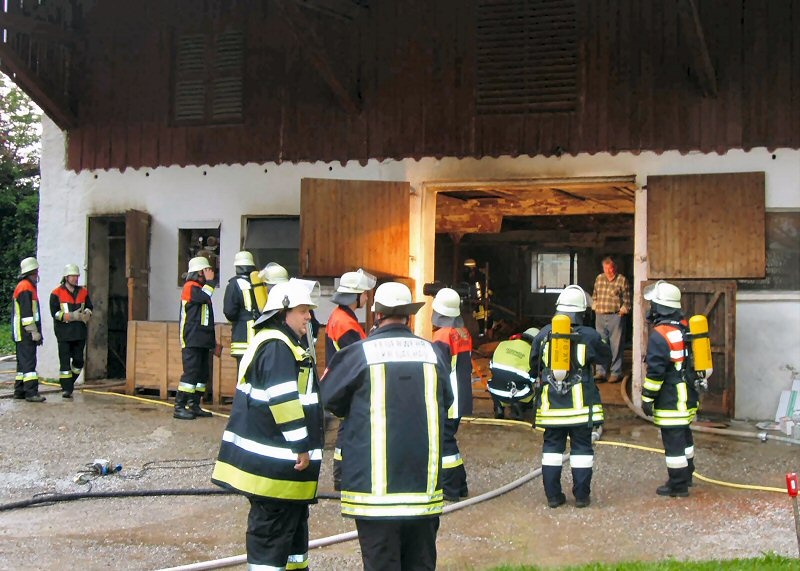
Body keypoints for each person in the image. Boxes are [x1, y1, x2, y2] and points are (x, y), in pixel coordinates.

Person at [320, 282, 452, 571]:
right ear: (410, 316)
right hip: (422, 490)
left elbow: (329, 399)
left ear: (376, 314)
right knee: (420, 564)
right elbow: (448, 402)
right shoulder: (433, 354)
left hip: (374, 494)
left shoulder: (357, 354)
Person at [211, 279, 324, 570]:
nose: (309, 317)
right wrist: (301, 446)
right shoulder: (277, 346)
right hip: (275, 473)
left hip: (282, 476)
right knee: (271, 543)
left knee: (292, 547)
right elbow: (283, 401)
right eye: (303, 311)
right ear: (283, 311)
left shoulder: (281, 343)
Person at [529, 285, 611, 509]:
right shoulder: (591, 336)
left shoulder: (543, 335)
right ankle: (582, 497)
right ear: (581, 311)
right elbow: (606, 358)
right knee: (582, 450)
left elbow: (533, 367)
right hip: (581, 409)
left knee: (552, 450)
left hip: (551, 408)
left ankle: (553, 497)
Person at [641, 280, 699, 498]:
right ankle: (687, 475)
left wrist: (647, 398)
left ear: (660, 307)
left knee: (673, 442)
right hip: (688, 395)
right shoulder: (684, 328)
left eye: (653, 304)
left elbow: (656, 373)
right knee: (684, 436)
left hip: (671, 397)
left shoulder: (660, 334)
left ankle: (678, 485)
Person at [325, 268, 376, 491]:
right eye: (364, 293)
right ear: (355, 296)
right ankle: (342, 476)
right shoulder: (345, 323)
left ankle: (342, 475)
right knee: (348, 429)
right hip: (347, 383)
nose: (366, 297)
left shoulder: (342, 317)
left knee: (347, 428)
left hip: (341, 380)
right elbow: (359, 356)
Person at [430, 287, 472, 501]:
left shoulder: (442, 336)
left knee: (445, 442)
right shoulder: (462, 332)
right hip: (462, 397)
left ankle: (452, 488)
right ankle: (461, 484)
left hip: (449, 400)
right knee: (449, 440)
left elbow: (438, 370)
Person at [175, 256, 216, 420]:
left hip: (202, 340)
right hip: (191, 339)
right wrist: (211, 282)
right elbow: (204, 297)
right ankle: (179, 407)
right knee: (190, 374)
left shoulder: (199, 289)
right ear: (199, 272)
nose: (208, 273)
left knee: (202, 375)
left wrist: (213, 342)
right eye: (205, 271)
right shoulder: (190, 287)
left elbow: (207, 319)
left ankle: (194, 405)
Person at [49, 264, 93, 398]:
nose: (75, 279)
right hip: (64, 333)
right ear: (66, 277)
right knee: (65, 362)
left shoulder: (83, 292)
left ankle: (69, 382)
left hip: (79, 332)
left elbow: (90, 306)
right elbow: (55, 313)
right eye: (73, 276)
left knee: (79, 361)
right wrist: (70, 316)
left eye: (77, 276)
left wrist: (87, 313)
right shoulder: (56, 293)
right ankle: (66, 389)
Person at [591, 256, 631, 383]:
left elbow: (627, 300)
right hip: (600, 316)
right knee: (600, 344)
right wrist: (595, 306)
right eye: (607, 268)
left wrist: (623, 311)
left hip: (615, 316)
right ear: (603, 268)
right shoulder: (599, 278)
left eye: (611, 268)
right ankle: (600, 372)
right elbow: (595, 295)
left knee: (616, 345)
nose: (609, 271)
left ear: (615, 267)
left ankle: (615, 372)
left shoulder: (622, 280)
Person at [12, 257, 46, 402]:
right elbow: (27, 314)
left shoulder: (24, 286)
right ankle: (31, 393)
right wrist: (34, 332)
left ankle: (19, 391)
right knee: (29, 363)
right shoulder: (26, 288)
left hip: (21, 331)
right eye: (36, 271)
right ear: (31, 272)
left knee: (22, 364)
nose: (37, 274)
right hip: (26, 332)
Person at [488, 327, 539, 420]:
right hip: (519, 393)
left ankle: (499, 406)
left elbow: (491, 367)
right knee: (536, 385)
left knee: (501, 379)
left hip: (494, 388)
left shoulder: (502, 344)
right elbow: (533, 377)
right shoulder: (532, 352)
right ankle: (518, 405)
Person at [223, 250, 258, 367]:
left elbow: (229, 312)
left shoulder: (234, 285)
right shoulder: (258, 284)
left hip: (242, 337)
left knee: (243, 377)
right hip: (259, 337)